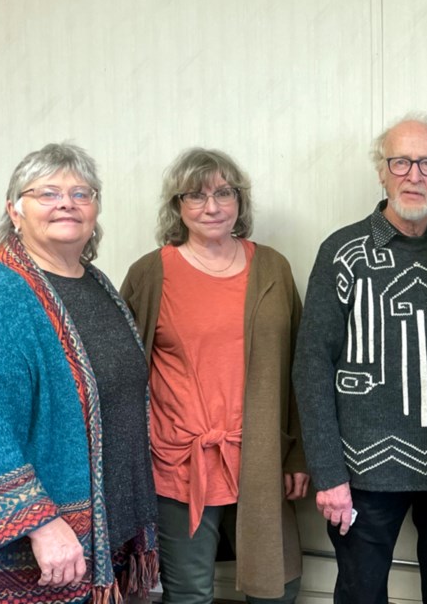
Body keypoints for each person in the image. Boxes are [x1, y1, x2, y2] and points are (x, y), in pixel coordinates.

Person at [0, 143, 158, 603]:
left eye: (80, 193)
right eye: (47, 193)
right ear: (15, 210)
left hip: (107, 529)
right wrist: (40, 524)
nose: (67, 202)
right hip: (40, 546)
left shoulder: (96, 283)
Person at [292, 113, 427, 603]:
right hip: (362, 473)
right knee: (361, 595)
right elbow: (311, 366)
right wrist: (328, 474)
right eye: (401, 161)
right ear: (381, 170)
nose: (414, 175)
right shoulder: (343, 253)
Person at [120, 148, 308, 603]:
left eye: (224, 193)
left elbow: (301, 366)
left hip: (260, 458)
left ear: (240, 201)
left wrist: (298, 455)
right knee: (189, 593)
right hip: (177, 462)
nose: (212, 206)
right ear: (177, 207)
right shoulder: (151, 274)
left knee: (276, 588)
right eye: (196, 196)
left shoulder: (273, 268)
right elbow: (121, 375)